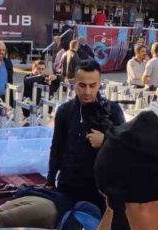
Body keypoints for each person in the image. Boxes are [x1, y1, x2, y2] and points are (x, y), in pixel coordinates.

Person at [47, 59, 125, 210]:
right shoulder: (64, 111)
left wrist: (105, 141)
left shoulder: (113, 111)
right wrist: (50, 180)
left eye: (92, 85)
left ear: (99, 83)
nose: (87, 91)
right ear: (74, 83)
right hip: (68, 187)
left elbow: (126, 148)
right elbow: (57, 147)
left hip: (100, 191)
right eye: (82, 85)